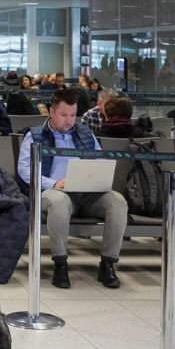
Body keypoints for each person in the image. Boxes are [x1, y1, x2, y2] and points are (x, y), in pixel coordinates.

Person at [17, 88, 127, 290]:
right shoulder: (34, 135)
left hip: (86, 192)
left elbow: (99, 160)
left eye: (73, 115)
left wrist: (97, 179)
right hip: (54, 191)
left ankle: (108, 263)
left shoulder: (86, 133)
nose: (69, 120)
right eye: (64, 115)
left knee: (117, 201)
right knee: (59, 202)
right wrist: (52, 183)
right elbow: (25, 169)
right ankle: (60, 264)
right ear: (51, 112)